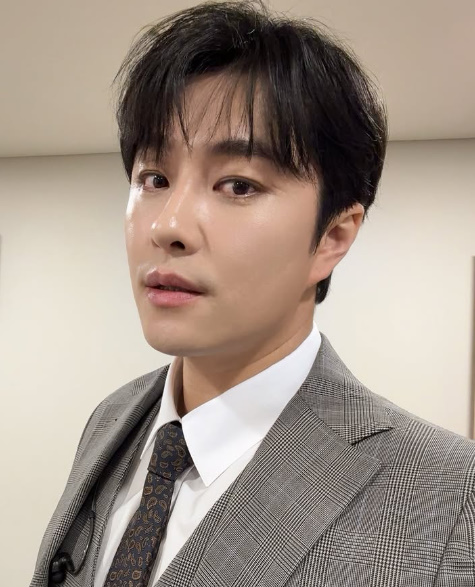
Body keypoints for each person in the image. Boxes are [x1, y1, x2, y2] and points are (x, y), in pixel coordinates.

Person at [31, 1, 475, 586]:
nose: (168, 226)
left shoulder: (449, 493)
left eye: (238, 185)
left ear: (333, 236)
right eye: (154, 178)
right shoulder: (113, 418)